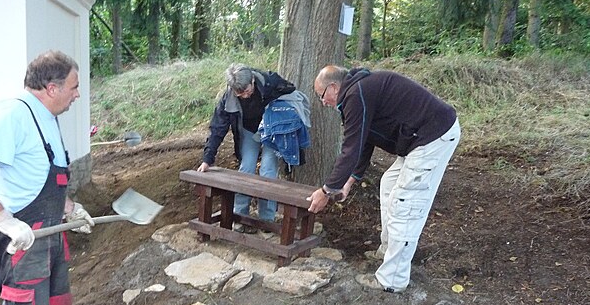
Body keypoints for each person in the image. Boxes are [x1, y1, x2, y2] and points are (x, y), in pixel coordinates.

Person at [0, 50, 95, 305]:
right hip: (22, 243)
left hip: (50, 237)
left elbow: (44, 178)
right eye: (73, 87)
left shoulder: (46, 118)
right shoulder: (14, 114)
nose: (77, 95)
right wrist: (4, 220)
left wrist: (71, 209)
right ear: (52, 88)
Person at [307, 65, 461, 293]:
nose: (323, 102)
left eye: (322, 96)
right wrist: (348, 183)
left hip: (432, 136)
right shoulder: (359, 91)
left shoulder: (356, 94)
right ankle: (388, 251)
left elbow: (350, 149)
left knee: (405, 202)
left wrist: (327, 190)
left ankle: (392, 280)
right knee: (389, 183)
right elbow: (364, 141)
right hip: (418, 140)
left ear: (333, 87)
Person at [197, 63, 309, 233]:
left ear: (253, 80)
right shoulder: (228, 99)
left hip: (272, 131)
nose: (244, 95)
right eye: (239, 93)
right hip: (249, 131)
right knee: (246, 169)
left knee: (268, 171)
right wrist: (207, 159)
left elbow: (292, 94)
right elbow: (217, 128)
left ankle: (267, 219)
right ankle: (240, 217)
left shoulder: (270, 83)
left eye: (247, 90)